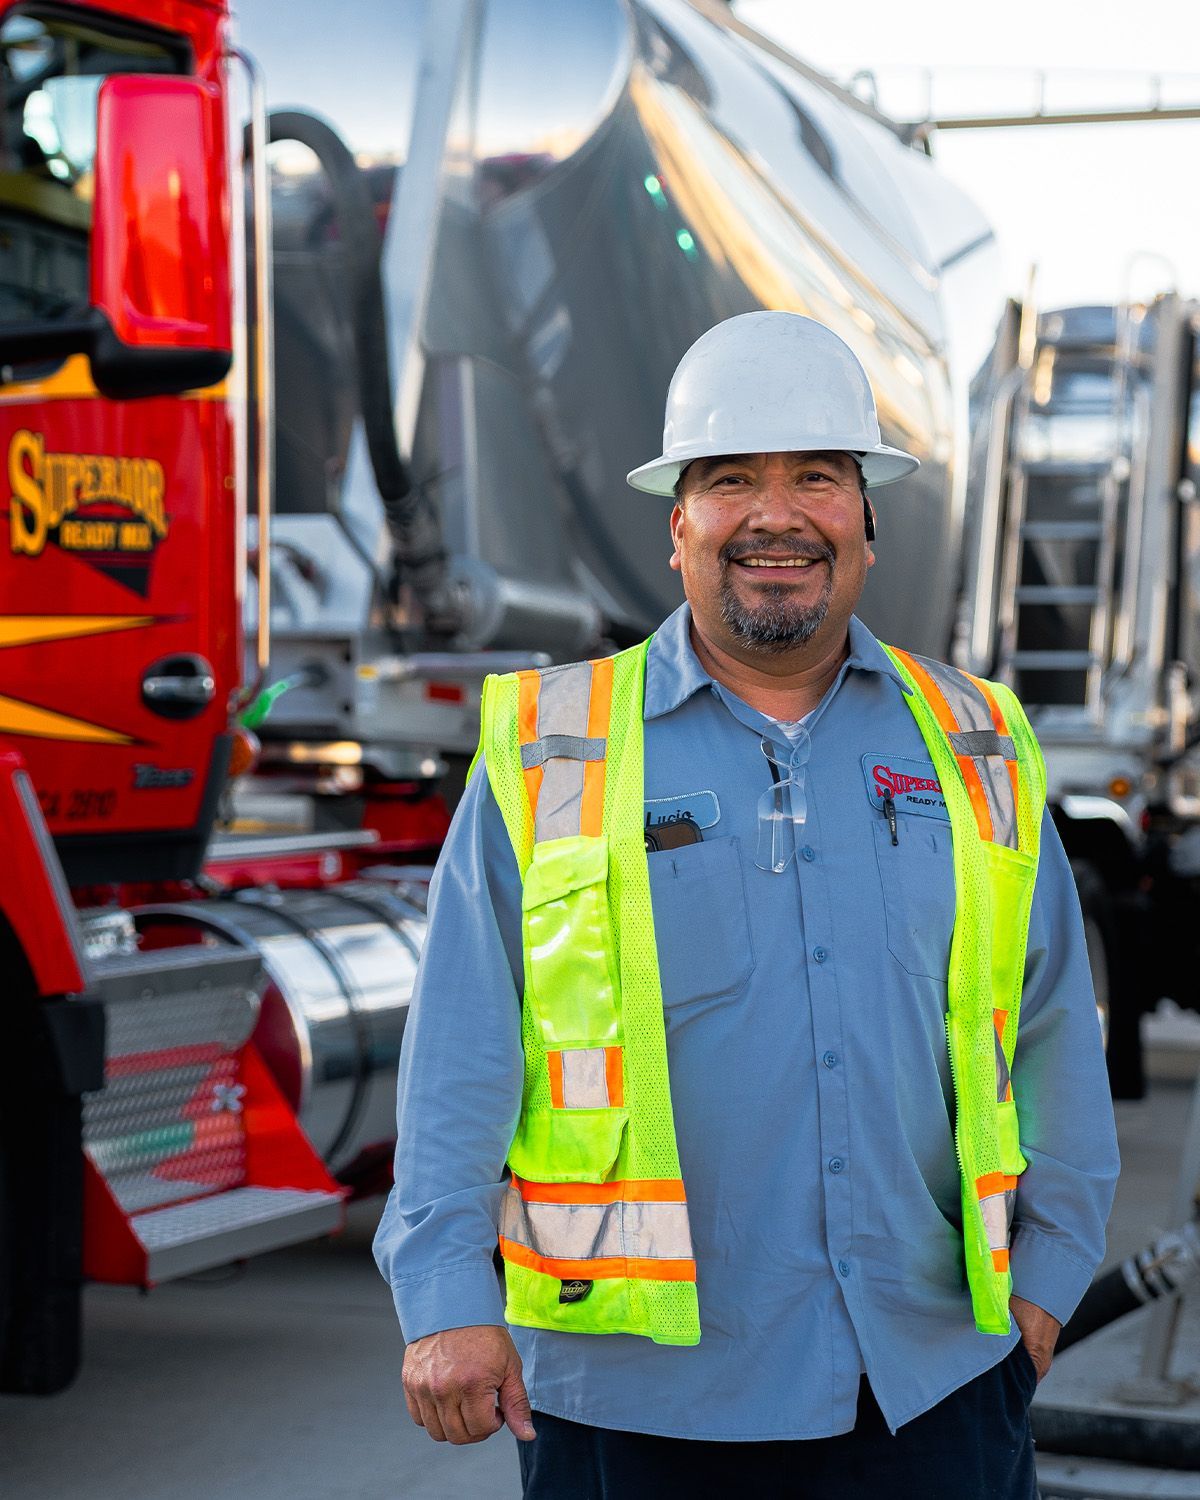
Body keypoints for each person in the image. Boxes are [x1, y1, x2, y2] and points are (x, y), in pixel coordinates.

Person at [374, 312, 1119, 1499]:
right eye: (732, 481)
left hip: (931, 1380)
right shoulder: (553, 748)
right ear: (679, 527)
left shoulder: (977, 743)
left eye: (817, 477)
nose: (777, 516)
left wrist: (1050, 1278)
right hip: (636, 1394)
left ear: (866, 521)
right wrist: (446, 1301)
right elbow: (463, 1047)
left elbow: (1049, 1031)